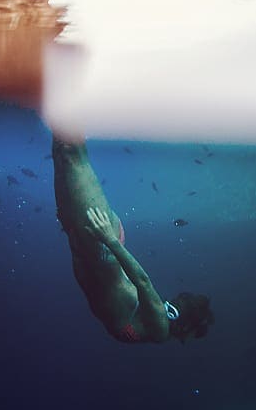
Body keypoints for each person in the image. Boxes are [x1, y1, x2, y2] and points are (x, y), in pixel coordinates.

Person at [52, 137, 214, 343]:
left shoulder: (158, 327)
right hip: (101, 242)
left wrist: (75, 238)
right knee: (69, 155)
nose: (188, 338)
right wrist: (109, 240)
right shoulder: (160, 326)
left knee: (62, 155)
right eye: (192, 334)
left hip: (85, 244)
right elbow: (142, 282)